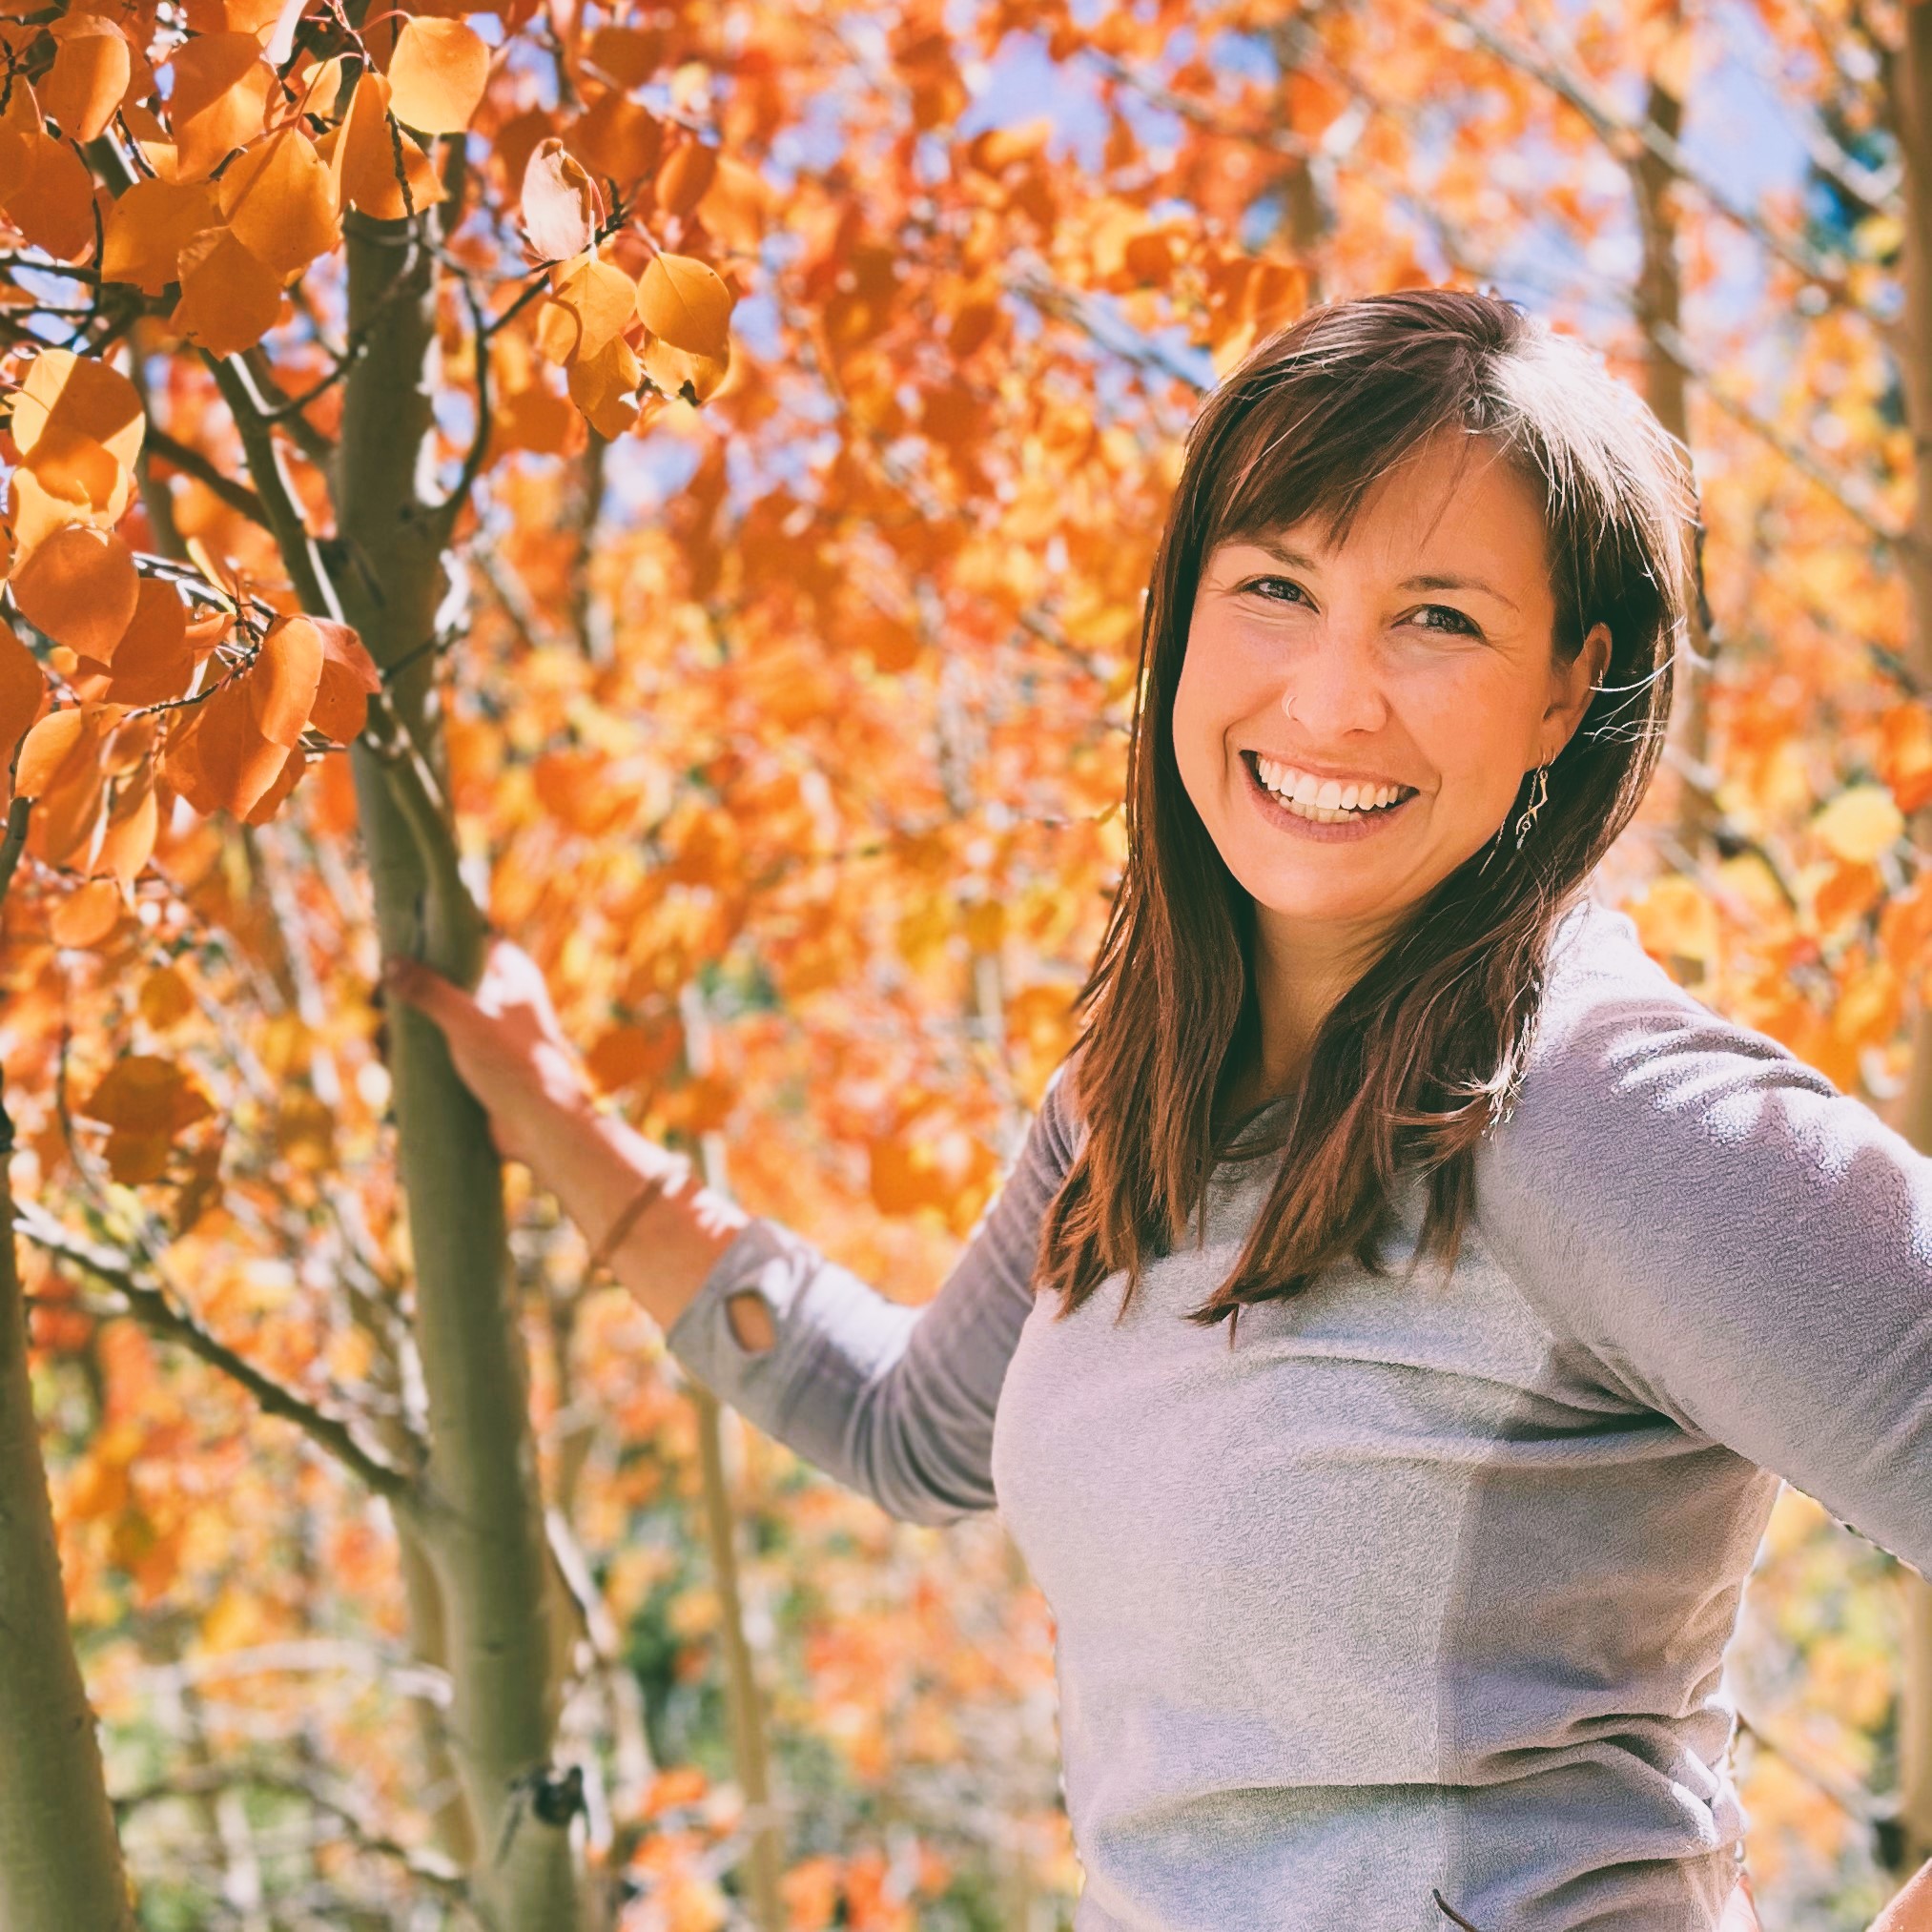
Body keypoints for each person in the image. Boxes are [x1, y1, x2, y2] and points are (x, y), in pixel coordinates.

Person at [381, 289, 1932, 1931]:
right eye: (1275, 588)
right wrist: (562, 1123)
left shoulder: (1596, 1112)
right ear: (1184, 618)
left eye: (1438, 620)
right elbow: (911, 1428)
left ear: (1566, 689)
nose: (1332, 699)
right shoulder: (1133, 1108)